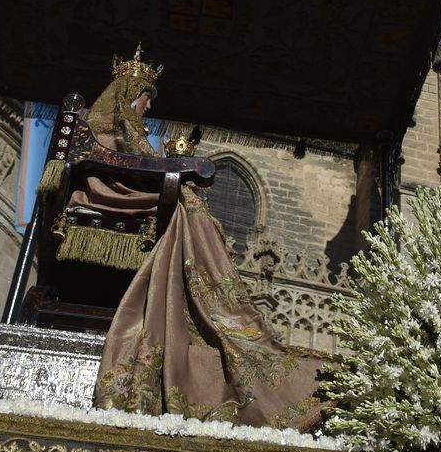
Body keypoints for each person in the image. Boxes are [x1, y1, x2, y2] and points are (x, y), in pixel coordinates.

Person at [76, 49, 323, 429]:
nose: (146, 106)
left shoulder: (122, 126)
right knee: (190, 209)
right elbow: (128, 164)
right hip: (109, 190)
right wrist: (180, 169)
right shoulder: (112, 124)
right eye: (145, 98)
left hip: (123, 185)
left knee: (190, 205)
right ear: (131, 95)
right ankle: (213, 298)